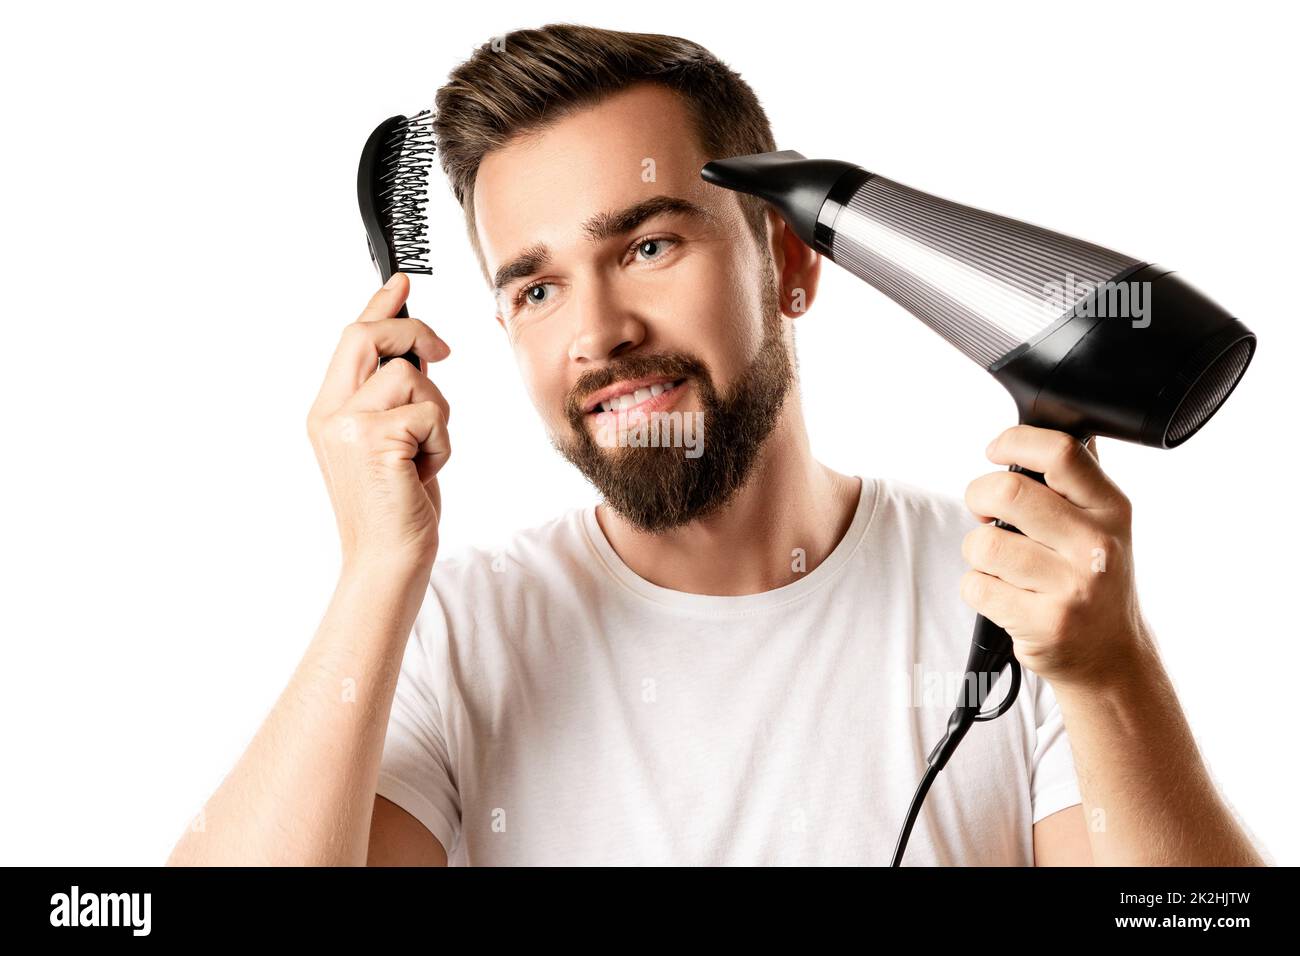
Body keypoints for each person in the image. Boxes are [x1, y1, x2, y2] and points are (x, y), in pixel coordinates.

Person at [168, 24, 1264, 866]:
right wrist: (374, 570)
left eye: (647, 244)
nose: (597, 333)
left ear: (789, 265)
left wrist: (1109, 671)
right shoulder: (453, 633)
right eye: (537, 286)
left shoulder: (1016, 607)